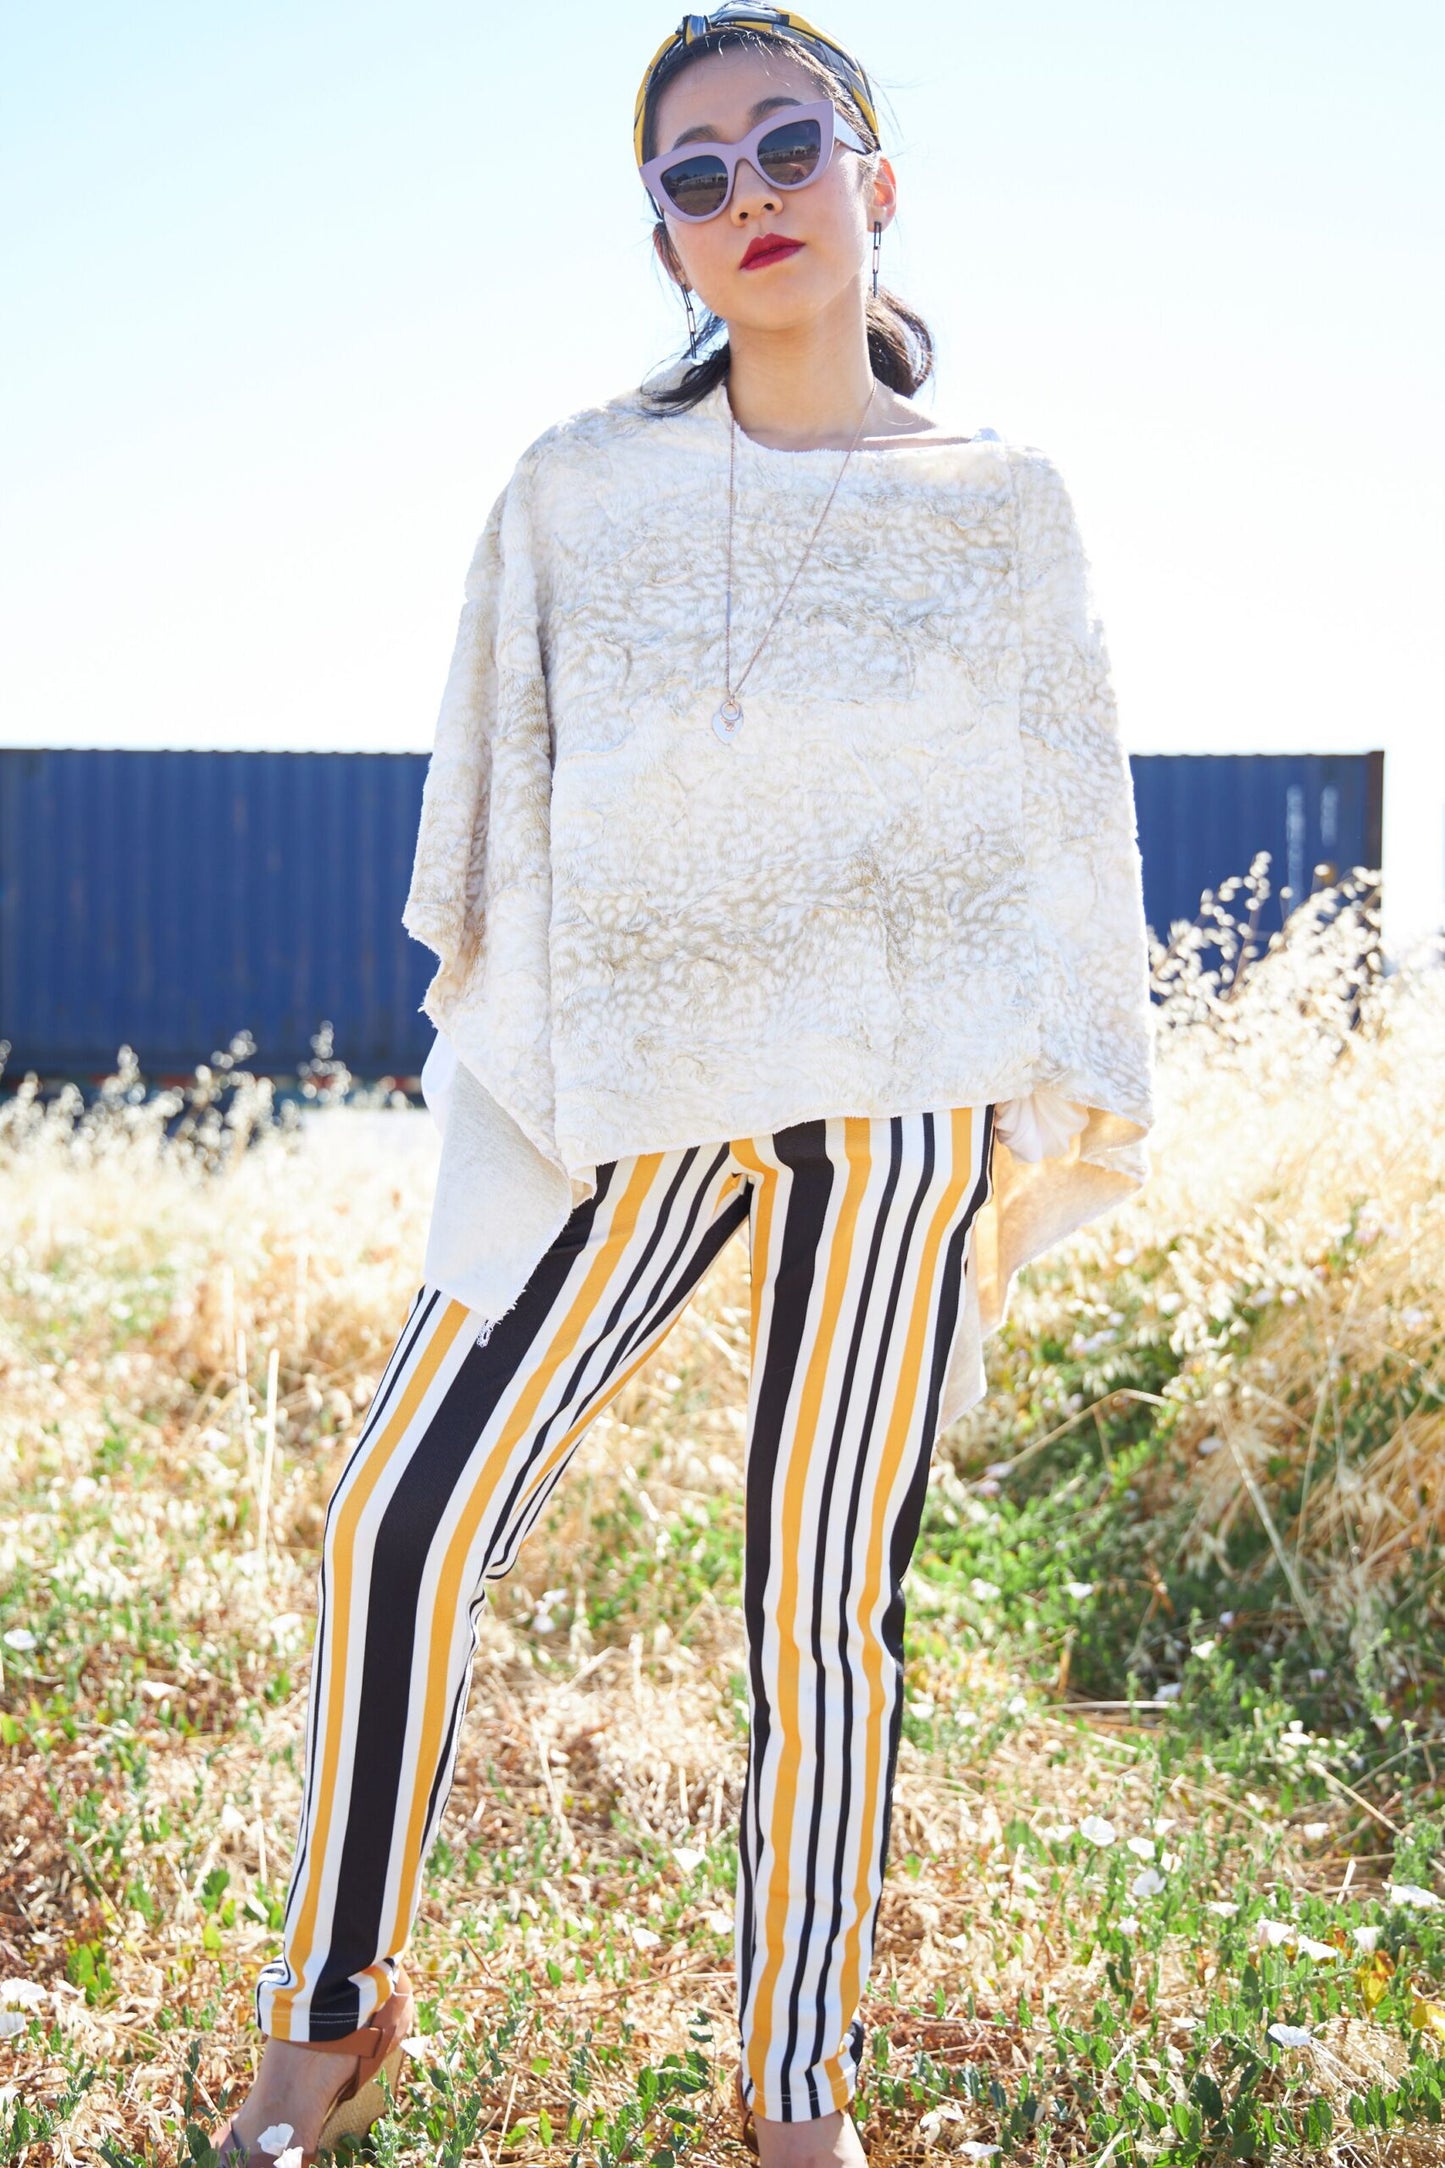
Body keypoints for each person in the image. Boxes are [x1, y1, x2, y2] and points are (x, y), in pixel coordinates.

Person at [212, 7, 1154, 2163]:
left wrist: (1041, 1097)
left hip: (899, 1106)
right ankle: (328, 2013)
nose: (748, 197)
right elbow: (500, 814)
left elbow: (1063, 835)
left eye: (788, 145)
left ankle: (791, 2087)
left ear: (877, 179)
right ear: (662, 238)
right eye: (691, 176)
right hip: (630, 1092)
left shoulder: (1008, 509)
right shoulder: (577, 493)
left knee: (820, 1606)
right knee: (396, 1515)